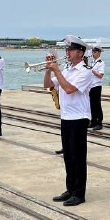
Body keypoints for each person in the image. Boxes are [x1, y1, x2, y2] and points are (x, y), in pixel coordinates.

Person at [45, 35, 94, 207]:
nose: (67, 52)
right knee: (68, 156)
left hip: (79, 118)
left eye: (71, 50)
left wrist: (57, 70)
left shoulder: (85, 71)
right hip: (66, 117)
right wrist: (48, 69)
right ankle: (70, 188)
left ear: (80, 53)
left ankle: (79, 193)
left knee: (78, 157)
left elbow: (69, 89)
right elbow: (47, 85)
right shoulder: (67, 70)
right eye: (67, 49)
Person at [88, 45, 106, 130]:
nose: (93, 53)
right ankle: (93, 121)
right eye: (92, 52)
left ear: (99, 53)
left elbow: (100, 75)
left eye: (95, 52)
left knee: (97, 105)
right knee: (92, 105)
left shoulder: (101, 63)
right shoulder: (92, 62)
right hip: (91, 86)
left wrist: (92, 70)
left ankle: (99, 122)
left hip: (97, 86)